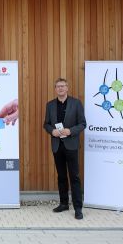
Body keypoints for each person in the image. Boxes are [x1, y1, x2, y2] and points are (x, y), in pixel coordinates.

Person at [43, 78, 86, 220]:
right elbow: (46, 124)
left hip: (71, 145)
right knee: (61, 176)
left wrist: (70, 131)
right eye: (58, 86)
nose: (60, 89)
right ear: (55, 89)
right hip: (57, 145)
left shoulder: (76, 103)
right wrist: (52, 131)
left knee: (74, 177)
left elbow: (82, 124)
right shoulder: (50, 105)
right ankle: (63, 203)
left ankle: (78, 208)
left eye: (63, 86)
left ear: (67, 88)